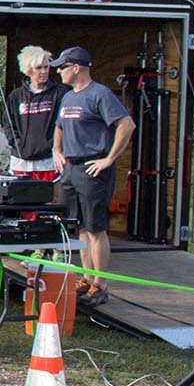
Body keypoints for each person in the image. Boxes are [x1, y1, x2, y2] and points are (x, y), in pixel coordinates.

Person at [50, 46, 135, 306]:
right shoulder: (67, 97)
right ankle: (87, 279)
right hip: (71, 168)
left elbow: (126, 124)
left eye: (62, 67)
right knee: (82, 228)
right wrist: (56, 150)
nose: (58, 72)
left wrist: (109, 159)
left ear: (77, 68)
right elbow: (60, 126)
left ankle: (100, 284)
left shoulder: (100, 94)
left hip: (92, 168)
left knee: (96, 228)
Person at [4, 45, 67, 181]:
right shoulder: (16, 96)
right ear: (28, 69)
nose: (43, 71)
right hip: (21, 162)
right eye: (38, 68)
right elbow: (8, 124)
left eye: (46, 67)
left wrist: (52, 145)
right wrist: (18, 144)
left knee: (50, 194)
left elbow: (65, 124)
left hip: (49, 161)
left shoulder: (60, 93)